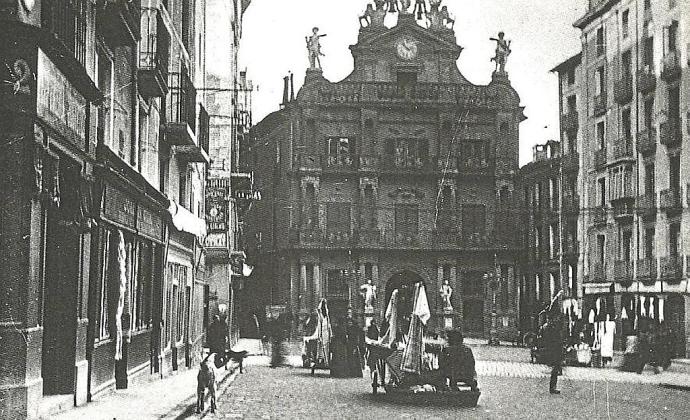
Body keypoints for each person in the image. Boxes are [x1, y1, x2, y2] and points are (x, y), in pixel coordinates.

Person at [542, 311, 563, 394]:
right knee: (555, 369)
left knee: (556, 368)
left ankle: (553, 387)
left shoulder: (548, 327)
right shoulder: (551, 328)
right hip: (554, 350)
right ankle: (552, 387)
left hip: (553, 350)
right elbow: (553, 340)